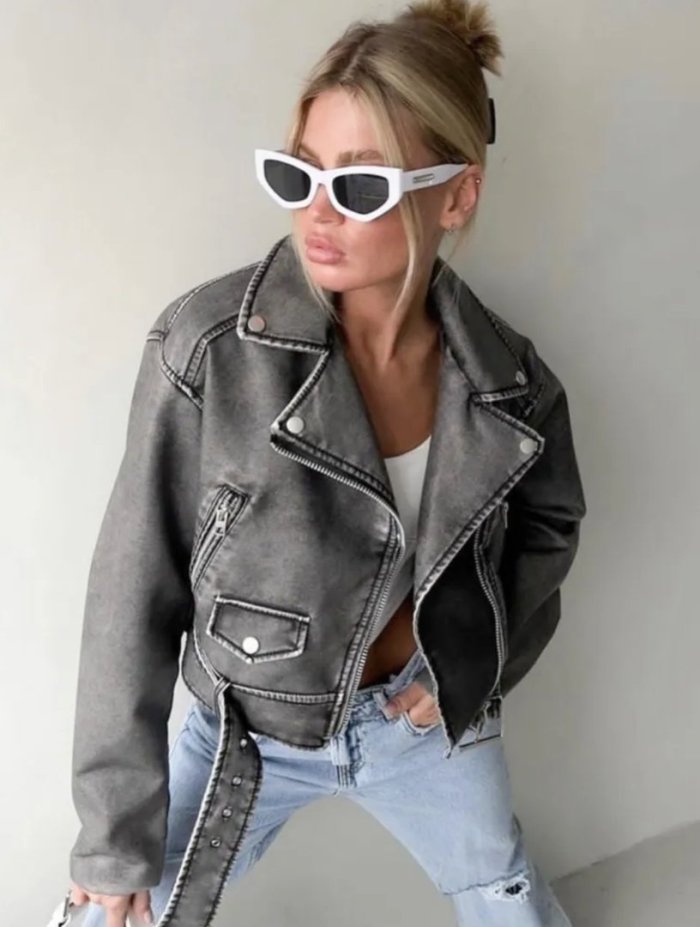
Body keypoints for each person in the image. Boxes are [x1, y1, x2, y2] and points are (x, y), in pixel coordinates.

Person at [65, 1, 586, 925]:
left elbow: (548, 529)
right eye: (299, 172)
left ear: (456, 195)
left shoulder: (509, 385)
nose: (317, 210)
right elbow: (129, 593)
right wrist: (112, 838)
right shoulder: (210, 351)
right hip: (243, 730)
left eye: (360, 185)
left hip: (421, 725)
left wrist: (469, 669)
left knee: (511, 903)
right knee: (105, 912)